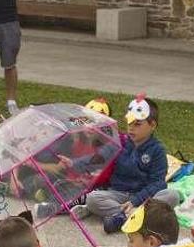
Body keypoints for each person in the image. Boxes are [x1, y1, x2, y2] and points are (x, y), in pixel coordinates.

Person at [71, 95, 180, 234]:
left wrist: (136, 201)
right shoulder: (121, 141)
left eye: (137, 124)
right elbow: (98, 157)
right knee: (93, 199)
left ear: (152, 125)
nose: (131, 128)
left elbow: (158, 183)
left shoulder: (157, 150)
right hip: (118, 193)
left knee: (172, 195)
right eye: (129, 123)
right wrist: (73, 163)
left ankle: (122, 216)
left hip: (144, 198)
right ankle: (134, 217)